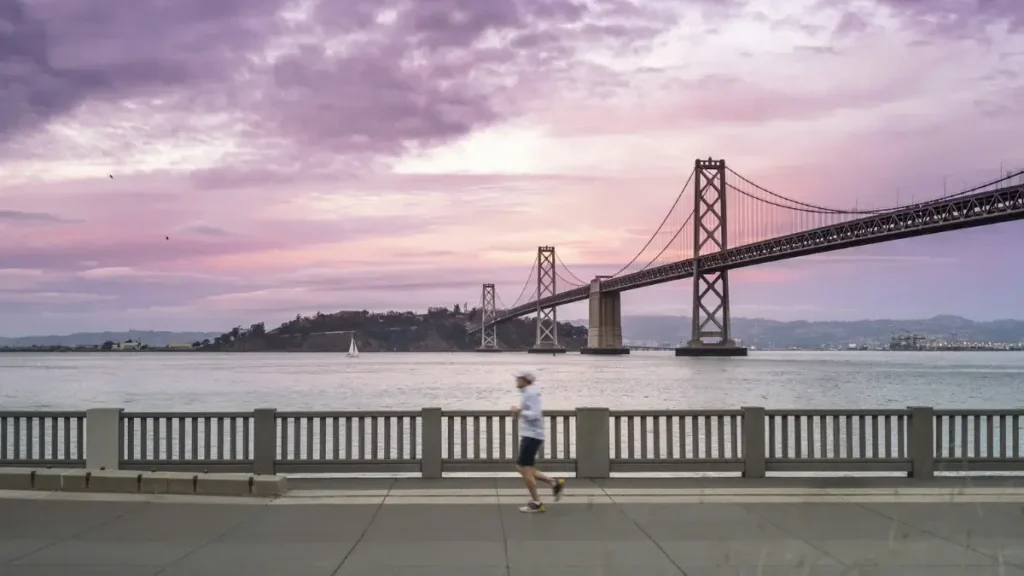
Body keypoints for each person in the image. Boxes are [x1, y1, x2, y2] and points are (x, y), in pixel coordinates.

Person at [510, 370, 565, 512]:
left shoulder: (530, 393)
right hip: (531, 435)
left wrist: (519, 411)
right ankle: (553, 483)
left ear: (525, 380)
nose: (516, 380)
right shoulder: (528, 393)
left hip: (532, 436)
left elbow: (535, 415)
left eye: (518, 378)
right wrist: (518, 413)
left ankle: (536, 502)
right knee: (522, 467)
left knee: (524, 468)